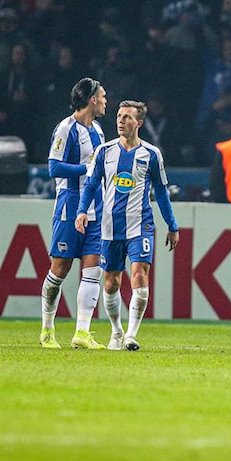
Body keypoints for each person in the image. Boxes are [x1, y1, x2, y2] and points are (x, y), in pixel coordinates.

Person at [76, 100, 180, 351]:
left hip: (140, 224)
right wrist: (81, 212)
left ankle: (132, 335)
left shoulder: (151, 154)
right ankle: (117, 331)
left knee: (139, 273)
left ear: (139, 123)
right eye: (119, 116)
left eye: (127, 117)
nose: (121, 121)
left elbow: (162, 193)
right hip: (110, 226)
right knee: (111, 282)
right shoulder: (104, 151)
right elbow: (90, 186)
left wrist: (172, 225)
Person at [39, 78, 107, 350]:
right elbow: (54, 168)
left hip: (95, 209)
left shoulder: (99, 132)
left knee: (93, 271)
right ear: (91, 99)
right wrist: (85, 169)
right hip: (69, 207)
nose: (105, 101)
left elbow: (98, 170)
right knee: (60, 269)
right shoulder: (66, 129)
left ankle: (82, 332)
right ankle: (47, 329)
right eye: (102, 96)